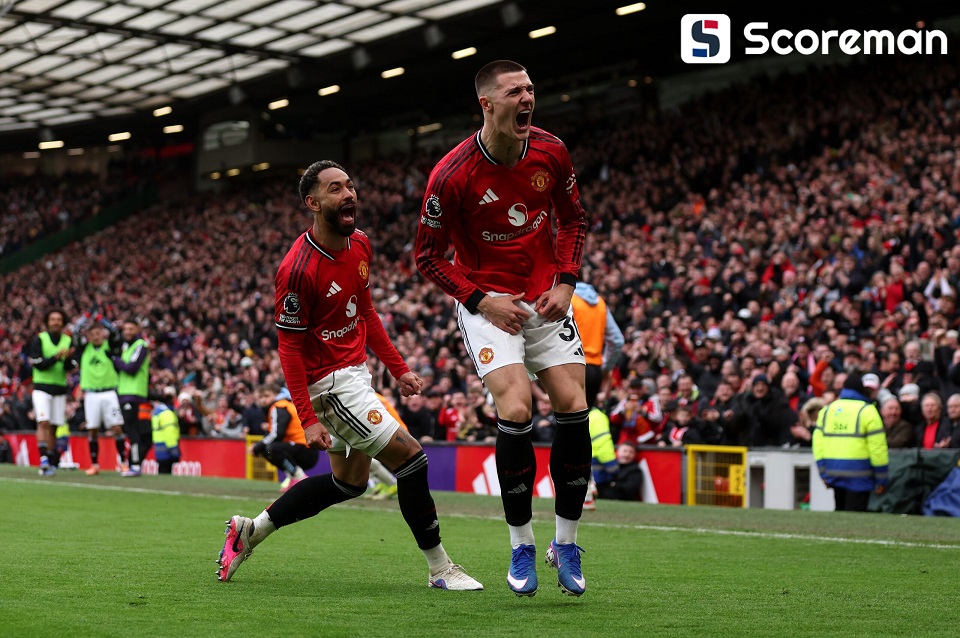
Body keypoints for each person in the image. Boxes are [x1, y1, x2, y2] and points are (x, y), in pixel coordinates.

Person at [217, 160, 481, 591]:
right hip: (330, 385)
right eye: (336, 188)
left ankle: (251, 530)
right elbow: (289, 349)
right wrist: (307, 418)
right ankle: (441, 569)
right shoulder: (298, 270)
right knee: (411, 458)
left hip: (356, 374)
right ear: (313, 203)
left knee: (349, 483)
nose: (349, 194)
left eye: (351, 186)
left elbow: (366, 311)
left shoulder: (360, 244)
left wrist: (399, 368)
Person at [415, 60, 591, 597]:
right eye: (515, 91)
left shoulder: (551, 151)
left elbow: (573, 220)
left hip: (545, 298)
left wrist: (566, 282)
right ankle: (521, 545)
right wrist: (481, 300)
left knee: (574, 404)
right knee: (516, 409)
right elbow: (427, 257)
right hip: (487, 305)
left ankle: (567, 543)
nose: (527, 98)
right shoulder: (452, 175)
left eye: (531, 89)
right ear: (487, 104)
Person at [812, 372, 889, 512]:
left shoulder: (827, 410)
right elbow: (877, 449)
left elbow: (818, 445)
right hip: (860, 474)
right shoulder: (868, 411)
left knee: (839, 512)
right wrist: (881, 478)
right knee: (856, 516)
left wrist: (823, 473)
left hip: (834, 471)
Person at [72, 314, 125, 476]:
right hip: (91, 395)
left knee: (117, 427)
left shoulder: (110, 348)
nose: (95, 336)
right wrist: (86, 318)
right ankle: (94, 464)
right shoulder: (84, 350)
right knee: (93, 429)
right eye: (92, 334)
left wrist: (101, 319)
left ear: (103, 334)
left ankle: (123, 463)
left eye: (98, 333)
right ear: (88, 336)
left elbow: (114, 331)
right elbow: (75, 332)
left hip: (109, 393)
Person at [26, 309, 76, 476]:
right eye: (53, 319)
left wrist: (67, 359)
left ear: (63, 322)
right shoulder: (39, 339)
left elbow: (70, 366)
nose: (56, 322)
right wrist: (56, 357)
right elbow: (38, 363)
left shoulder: (68, 340)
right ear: (47, 322)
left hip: (59, 388)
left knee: (54, 426)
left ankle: (50, 458)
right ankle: (43, 460)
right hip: (41, 387)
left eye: (59, 319)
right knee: (43, 422)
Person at [250, 383, 319, 491]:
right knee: (268, 449)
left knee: (271, 449)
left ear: (277, 394)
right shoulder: (285, 404)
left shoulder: (279, 406)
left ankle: (300, 478)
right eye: (261, 397)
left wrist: (257, 446)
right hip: (305, 448)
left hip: (306, 449)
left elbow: (277, 434)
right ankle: (293, 477)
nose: (263, 400)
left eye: (267, 396)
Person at [571, 281, 624, 407]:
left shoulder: (567, 299)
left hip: (572, 367)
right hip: (595, 370)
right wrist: (606, 367)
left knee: (564, 416)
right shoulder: (600, 302)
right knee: (585, 415)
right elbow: (617, 340)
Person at [112, 318, 152, 477]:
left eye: (131, 329)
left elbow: (131, 368)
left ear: (138, 329)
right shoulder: (125, 347)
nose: (127, 332)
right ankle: (133, 464)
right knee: (134, 430)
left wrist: (115, 360)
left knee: (139, 432)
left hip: (136, 395)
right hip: (126, 394)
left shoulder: (140, 346)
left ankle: (134, 464)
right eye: (125, 329)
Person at [152, 386, 181, 474]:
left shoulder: (157, 412)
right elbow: (170, 433)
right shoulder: (168, 414)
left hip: (159, 447)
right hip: (167, 449)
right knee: (166, 472)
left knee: (161, 472)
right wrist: (174, 451)